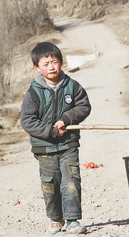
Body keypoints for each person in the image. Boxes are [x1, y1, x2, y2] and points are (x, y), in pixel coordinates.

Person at [20, 42, 91, 234]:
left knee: (71, 181)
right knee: (50, 183)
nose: (51, 67)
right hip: (44, 148)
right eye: (46, 64)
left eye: (55, 62)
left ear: (61, 63)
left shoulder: (72, 86)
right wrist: (51, 132)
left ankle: (72, 221)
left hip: (68, 144)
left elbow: (84, 106)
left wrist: (66, 119)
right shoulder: (34, 92)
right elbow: (27, 121)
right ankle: (55, 218)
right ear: (37, 67)